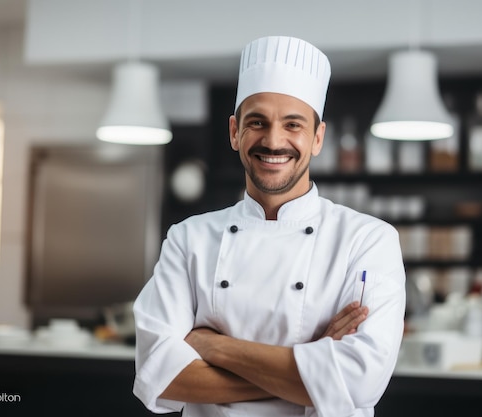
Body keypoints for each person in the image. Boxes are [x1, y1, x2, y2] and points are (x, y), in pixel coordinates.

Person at [133, 35, 406, 417]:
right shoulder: (188, 238)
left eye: (292, 124)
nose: (274, 140)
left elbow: (359, 381)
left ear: (317, 138)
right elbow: (159, 378)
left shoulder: (368, 240)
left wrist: (216, 348)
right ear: (234, 132)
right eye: (257, 122)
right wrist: (313, 370)